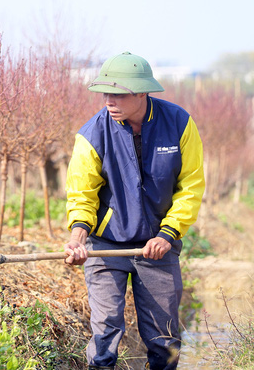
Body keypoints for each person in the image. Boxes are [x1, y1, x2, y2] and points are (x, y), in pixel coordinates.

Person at [63, 52, 205, 370]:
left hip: (158, 248)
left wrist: (168, 234)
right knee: (104, 336)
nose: (109, 101)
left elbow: (191, 186)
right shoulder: (91, 134)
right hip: (105, 246)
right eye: (105, 93)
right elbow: (82, 196)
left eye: (119, 93)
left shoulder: (180, 125)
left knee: (164, 342)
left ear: (142, 92)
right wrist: (78, 239)